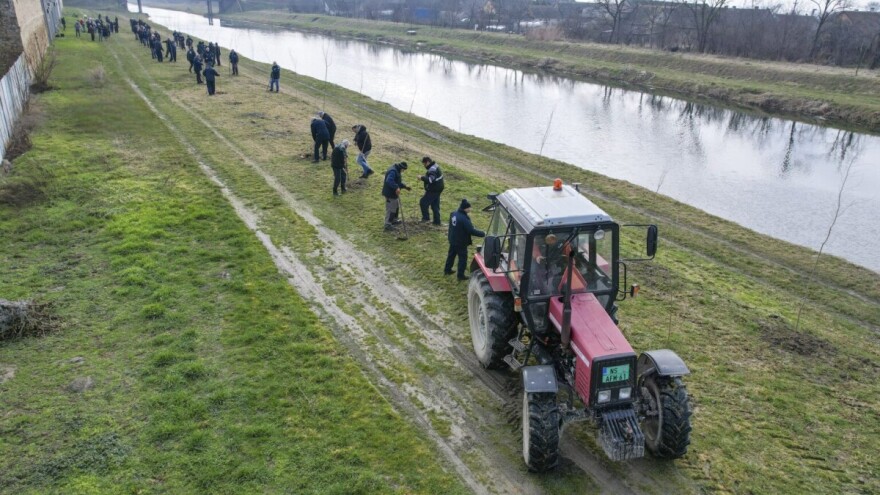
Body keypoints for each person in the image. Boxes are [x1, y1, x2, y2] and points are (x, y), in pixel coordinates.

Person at [445, 199, 485, 280]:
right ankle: (460, 275)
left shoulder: (453, 214)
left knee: (451, 256)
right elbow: (471, 231)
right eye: (469, 208)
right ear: (465, 208)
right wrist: (483, 234)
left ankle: (447, 270)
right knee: (462, 259)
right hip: (461, 242)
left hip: (453, 239)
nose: (470, 209)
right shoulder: (464, 219)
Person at [382, 162, 411, 231]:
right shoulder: (393, 171)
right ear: (401, 168)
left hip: (393, 194)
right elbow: (389, 180)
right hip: (390, 194)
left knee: (396, 206)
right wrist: (396, 187)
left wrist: (405, 186)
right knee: (391, 209)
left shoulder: (397, 170)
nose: (403, 171)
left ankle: (394, 220)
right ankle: (387, 224)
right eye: (403, 170)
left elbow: (397, 182)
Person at [418, 156, 445, 225]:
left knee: (423, 202)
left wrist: (422, 177)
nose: (424, 166)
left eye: (424, 164)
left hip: (434, 190)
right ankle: (437, 222)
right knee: (435, 205)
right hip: (438, 188)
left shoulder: (432, 169)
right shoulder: (435, 166)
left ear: (427, 162)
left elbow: (430, 180)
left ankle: (426, 219)